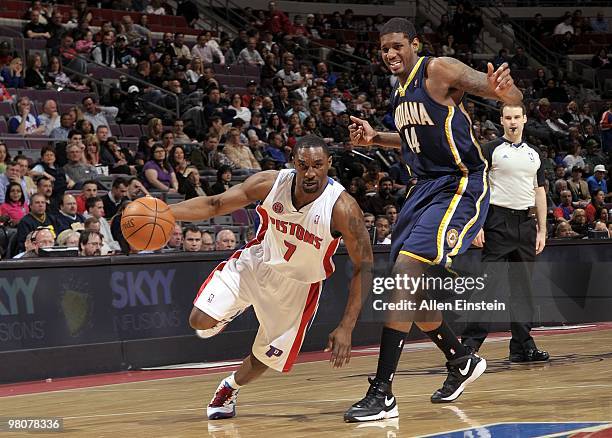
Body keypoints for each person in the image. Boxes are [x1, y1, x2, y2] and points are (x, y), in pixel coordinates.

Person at [344, 17, 522, 422]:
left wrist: (503, 90)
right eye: (384, 48)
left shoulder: (438, 69)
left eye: (397, 46)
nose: (390, 53)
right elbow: (411, 142)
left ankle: (383, 392)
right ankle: (460, 358)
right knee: (408, 289)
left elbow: (509, 93)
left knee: (406, 274)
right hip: (421, 189)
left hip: (459, 184)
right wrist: (375, 138)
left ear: (415, 44)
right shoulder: (399, 93)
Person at [169, 135, 372, 420]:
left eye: (317, 165)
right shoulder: (271, 183)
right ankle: (231, 310)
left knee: (266, 356)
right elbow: (215, 204)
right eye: (303, 165)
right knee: (199, 321)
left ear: (329, 163)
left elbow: (365, 266)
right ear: (293, 163)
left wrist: (347, 326)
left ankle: (230, 387)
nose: (310, 172)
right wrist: (165, 213)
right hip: (258, 262)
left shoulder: (343, 209)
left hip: (298, 288)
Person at [461, 103, 549, 362]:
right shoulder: (490, 150)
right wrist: (475, 225)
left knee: (523, 289)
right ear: (501, 120)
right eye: (507, 117)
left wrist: (542, 229)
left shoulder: (535, 154)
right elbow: (475, 188)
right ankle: (469, 345)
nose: (512, 121)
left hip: (525, 224)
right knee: (487, 288)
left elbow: (539, 191)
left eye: (516, 117)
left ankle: (522, 346)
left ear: (524, 119)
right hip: (497, 221)